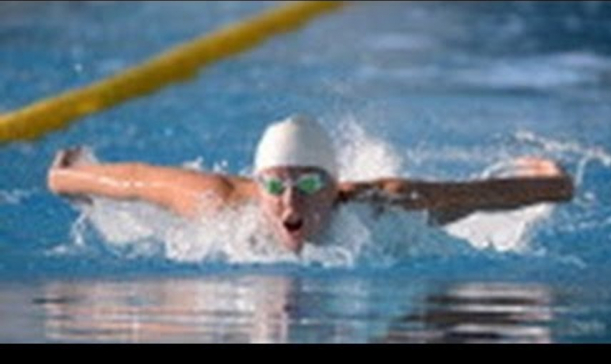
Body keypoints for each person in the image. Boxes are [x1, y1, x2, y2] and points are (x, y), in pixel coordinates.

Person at [48, 115, 574, 253]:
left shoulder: (385, 206)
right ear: (257, 186)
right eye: (274, 186)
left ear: (337, 186)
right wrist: (67, 176)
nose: (291, 200)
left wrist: (550, 183)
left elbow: (475, 197)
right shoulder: (220, 204)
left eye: (310, 183)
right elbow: (136, 182)